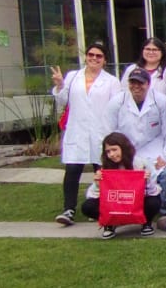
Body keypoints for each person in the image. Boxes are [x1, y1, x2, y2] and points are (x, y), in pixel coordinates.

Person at [51, 42, 120, 226]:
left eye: (99, 56)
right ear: (86, 57)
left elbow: (116, 108)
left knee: (102, 172)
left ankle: (100, 207)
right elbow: (62, 101)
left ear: (105, 60)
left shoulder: (111, 81)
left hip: (102, 132)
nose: (94, 58)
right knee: (72, 171)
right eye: (91, 55)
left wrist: (115, 134)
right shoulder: (73, 77)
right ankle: (69, 209)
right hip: (77, 131)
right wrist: (59, 85)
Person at [106, 67, 166, 204]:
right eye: (133, 82)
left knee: (165, 175)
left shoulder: (161, 101)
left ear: (148, 84)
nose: (136, 86)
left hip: (154, 149)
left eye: (140, 83)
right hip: (126, 150)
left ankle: (165, 208)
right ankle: (130, 206)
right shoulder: (117, 102)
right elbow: (109, 131)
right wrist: (114, 154)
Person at [81, 133, 162, 240]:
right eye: (108, 151)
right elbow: (90, 195)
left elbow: (154, 191)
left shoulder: (141, 163)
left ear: (123, 148)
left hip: (135, 200)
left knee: (154, 202)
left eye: (114, 150)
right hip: (115, 201)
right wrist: (97, 184)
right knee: (87, 206)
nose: (111, 154)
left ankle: (146, 222)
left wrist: (147, 181)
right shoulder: (106, 167)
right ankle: (109, 223)